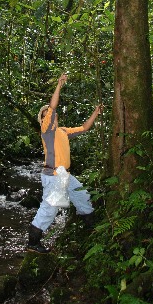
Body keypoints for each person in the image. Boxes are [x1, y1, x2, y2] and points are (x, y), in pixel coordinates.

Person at [27, 73, 103, 253]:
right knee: (49, 209)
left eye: (51, 114)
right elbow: (52, 106)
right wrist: (59, 85)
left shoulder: (62, 131)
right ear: (43, 120)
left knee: (82, 195)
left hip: (65, 175)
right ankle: (33, 243)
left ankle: (91, 227)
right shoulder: (46, 131)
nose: (50, 116)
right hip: (53, 176)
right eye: (46, 115)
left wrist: (95, 112)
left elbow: (85, 128)